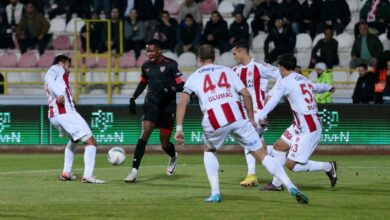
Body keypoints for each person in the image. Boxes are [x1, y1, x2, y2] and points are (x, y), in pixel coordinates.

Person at [174, 44, 308, 204]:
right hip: (238, 115)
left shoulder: (194, 76)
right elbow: (245, 94)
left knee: (209, 150)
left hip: (214, 118)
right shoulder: (228, 71)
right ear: (214, 57)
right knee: (262, 154)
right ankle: (290, 186)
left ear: (198, 59)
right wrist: (251, 118)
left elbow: (182, 102)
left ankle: (215, 193)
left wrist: (180, 128)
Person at [257, 53, 337, 191]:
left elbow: (274, 100)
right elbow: (318, 87)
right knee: (278, 147)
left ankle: (328, 166)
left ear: (281, 68)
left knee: (292, 165)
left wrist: (261, 115)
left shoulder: (285, 82)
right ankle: (276, 184)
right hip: (300, 125)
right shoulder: (303, 79)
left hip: (309, 128)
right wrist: (329, 87)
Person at [124, 39, 184, 182]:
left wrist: (169, 89)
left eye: (151, 50)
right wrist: (133, 97)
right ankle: (133, 172)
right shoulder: (146, 66)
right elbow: (143, 82)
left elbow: (181, 86)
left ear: (158, 50)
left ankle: (173, 156)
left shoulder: (171, 65)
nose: (148, 53)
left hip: (167, 108)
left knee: (164, 143)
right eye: (147, 51)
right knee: (144, 134)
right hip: (151, 105)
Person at [44, 55, 105, 184]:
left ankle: (66, 172)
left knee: (74, 139)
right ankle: (88, 176)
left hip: (55, 115)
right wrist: (60, 95)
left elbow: (57, 86)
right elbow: (48, 78)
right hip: (65, 113)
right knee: (91, 142)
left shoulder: (60, 79)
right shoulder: (57, 67)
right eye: (68, 65)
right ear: (62, 62)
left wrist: (70, 100)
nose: (69, 68)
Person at [231, 40, 281, 187]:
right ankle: (281, 152)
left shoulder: (260, 67)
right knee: (258, 145)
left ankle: (251, 175)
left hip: (259, 112)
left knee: (248, 139)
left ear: (243, 52)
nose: (234, 57)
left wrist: (271, 95)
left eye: (235, 54)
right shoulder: (235, 71)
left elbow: (282, 76)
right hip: (243, 114)